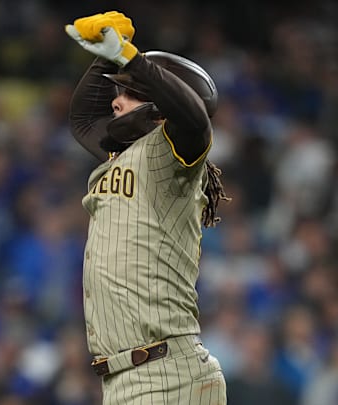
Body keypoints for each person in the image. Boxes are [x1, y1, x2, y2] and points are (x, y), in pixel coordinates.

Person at [64, 11, 230, 404]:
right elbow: (84, 120)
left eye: (130, 94)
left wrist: (133, 60)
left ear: (160, 111)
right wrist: (107, 56)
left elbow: (194, 120)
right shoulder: (125, 153)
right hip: (130, 378)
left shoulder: (172, 154)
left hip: (167, 374)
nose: (116, 102)